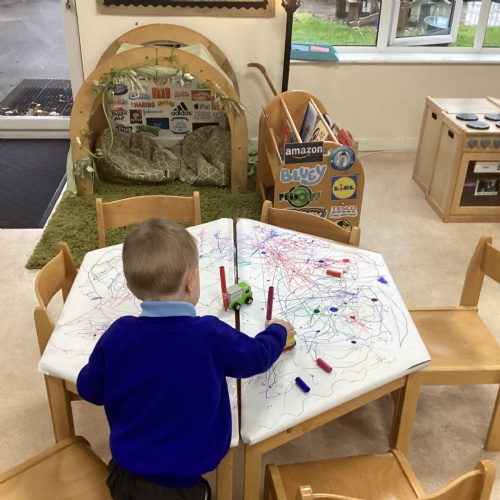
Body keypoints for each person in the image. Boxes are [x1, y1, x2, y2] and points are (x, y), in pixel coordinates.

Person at [77, 217, 296, 500]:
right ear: (191, 282)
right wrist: (277, 331)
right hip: (184, 487)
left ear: (130, 287)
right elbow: (256, 357)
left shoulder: (118, 333)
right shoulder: (209, 333)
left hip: (123, 477)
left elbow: (89, 390)